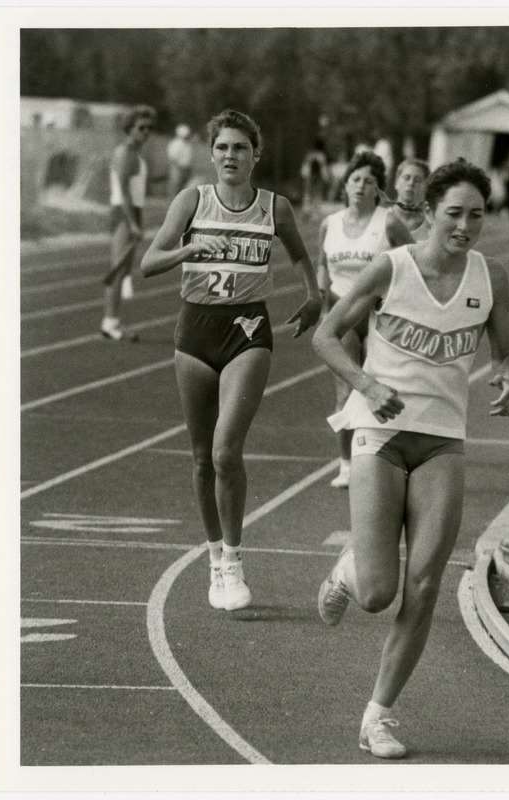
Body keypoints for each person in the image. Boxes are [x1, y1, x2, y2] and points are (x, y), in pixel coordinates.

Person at [313, 158, 509, 758]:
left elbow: (504, 354)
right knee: (379, 593)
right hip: (380, 436)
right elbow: (328, 336)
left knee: (425, 585)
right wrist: (367, 385)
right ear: (428, 213)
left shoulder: (492, 278)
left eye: (475, 215)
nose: (464, 226)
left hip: (442, 441)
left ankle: (377, 716)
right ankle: (350, 572)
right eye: (453, 213)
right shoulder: (391, 268)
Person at [140, 109, 321, 611]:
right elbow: (148, 262)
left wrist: (313, 296)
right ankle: (215, 559)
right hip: (195, 332)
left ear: (255, 154)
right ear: (211, 153)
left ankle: (235, 561)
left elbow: (302, 256)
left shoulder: (274, 207)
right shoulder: (191, 200)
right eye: (221, 148)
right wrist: (191, 249)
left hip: (247, 333)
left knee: (225, 453)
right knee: (202, 459)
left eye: (240, 148)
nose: (229, 157)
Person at [317, 151, 414, 489]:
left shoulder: (387, 223)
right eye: (355, 179)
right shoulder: (330, 223)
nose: (361, 186)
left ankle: (390, 461)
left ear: (378, 190)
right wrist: (318, 289)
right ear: (345, 185)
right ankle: (346, 465)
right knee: (345, 392)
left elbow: (413, 259)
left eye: (369, 181)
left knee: (386, 389)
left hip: (380, 317)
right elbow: (321, 262)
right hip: (342, 316)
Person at [100, 105, 156, 341]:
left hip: (133, 211)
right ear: (129, 129)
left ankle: (112, 321)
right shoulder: (124, 153)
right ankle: (109, 323)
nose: (146, 132)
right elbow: (122, 191)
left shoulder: (136, 154)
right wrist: (133, 223)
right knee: (118, 270)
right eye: (141, 128)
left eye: (149, 128)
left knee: (124, 270)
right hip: (124, 213)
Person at [389, 158, 431, 240]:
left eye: (418, 180)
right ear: (396, 183)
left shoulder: (431, 228)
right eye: (406, 178)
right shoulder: (379, 220)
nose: (411, 183)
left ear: (426, 188)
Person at [300, 137, 330, 221]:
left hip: (309, 177)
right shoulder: (321, 155)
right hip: (318, 178)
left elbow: (305, 166)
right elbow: (323, 168)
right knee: (317, 195)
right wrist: (326, 178)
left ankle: (306, 211)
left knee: (307, 194)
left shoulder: (310, 154)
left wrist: (304, 175)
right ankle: (315, 215)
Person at [167, 124, 195, 197]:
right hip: (178, 168)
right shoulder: (175, 144)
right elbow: (173, 157)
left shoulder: (188, 144)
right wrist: (177, 168)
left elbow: (189, 157)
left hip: (187, 168)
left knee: (185, 187)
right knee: (176, 186)